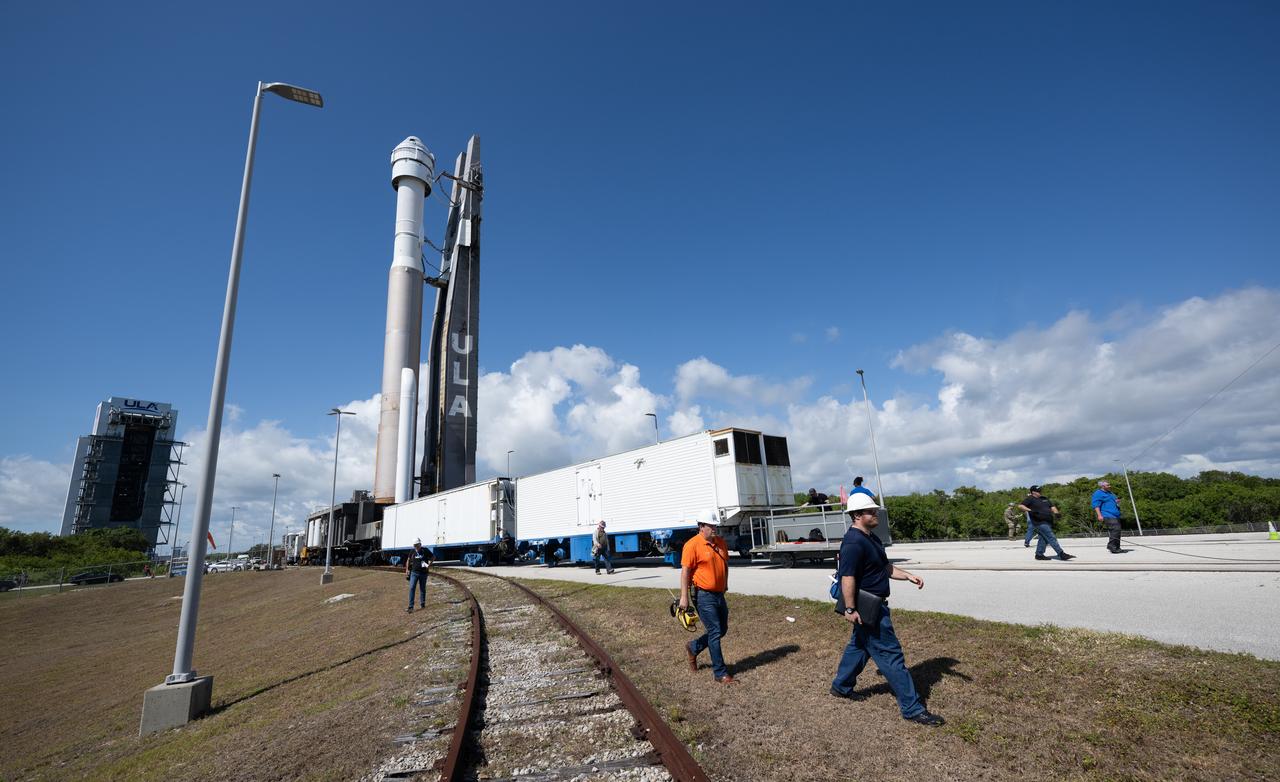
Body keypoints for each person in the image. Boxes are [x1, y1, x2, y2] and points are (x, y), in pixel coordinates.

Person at [830, 493, 945, 726]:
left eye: (875, 510)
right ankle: (912, 709)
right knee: (891, 657)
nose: (876, 514)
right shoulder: (853, 542)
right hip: (868, 608)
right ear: (857, 516)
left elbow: (885, 567)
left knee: (859, 648)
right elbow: (847, 578)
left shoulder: (871, 538)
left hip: (874, 605)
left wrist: (908, 576)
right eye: (871, 512)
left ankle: (841, 687)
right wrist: (850, 609)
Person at [680, 509, 735, 684]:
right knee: (715, 631)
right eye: (711, 525)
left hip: (719, 593)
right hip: (703, 595)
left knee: (722, 629)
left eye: (715, 525)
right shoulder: (692, 545)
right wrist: (684, 597)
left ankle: (693, 647)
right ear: (701, 527)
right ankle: (720, 673)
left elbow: (725, 564)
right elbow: (685, 572)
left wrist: (725, 583)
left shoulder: (720, 542)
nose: (714, 528)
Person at [1018, 486, 1075, 561]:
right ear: (1033, 492)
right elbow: (1020, 506)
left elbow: (1052, 506)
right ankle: (1061, 554)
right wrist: (1030, 510)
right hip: (1039, 522)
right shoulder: (1030, 498)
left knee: (1043, 538)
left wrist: (1056, 513)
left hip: (1048, 521)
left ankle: (1039, 555)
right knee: (1051, 537)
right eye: (1038, 491)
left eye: (1040, 491)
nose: (1040, 492)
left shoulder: (1044, 498)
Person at [1092, 480, 1125, 554]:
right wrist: (1099, 515)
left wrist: (1117, 501)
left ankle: (1116, 547)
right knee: (1115, 529)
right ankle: (1112, 546)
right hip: (1107, 514)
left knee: (1117, 530)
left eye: (1109, 485)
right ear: (1102, 486)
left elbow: (1114, 500)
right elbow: (1096, 505)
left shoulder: (1110, 493)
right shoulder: (1098, 494)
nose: (1110, 486)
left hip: (1115, 515)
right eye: (1108, 485)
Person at [404, 538, 435, 613]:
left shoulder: (425, 550)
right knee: (412, 588)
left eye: (417, 545)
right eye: (414, 545)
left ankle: (422, 604)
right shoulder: (412, 551)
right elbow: (408, 560)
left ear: (420, 544)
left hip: (423, 573)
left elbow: (433, 557)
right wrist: (407, 570)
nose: (416, 547)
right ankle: (411, 607)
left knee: (422, 588)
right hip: (414, 573)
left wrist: (428, 565)